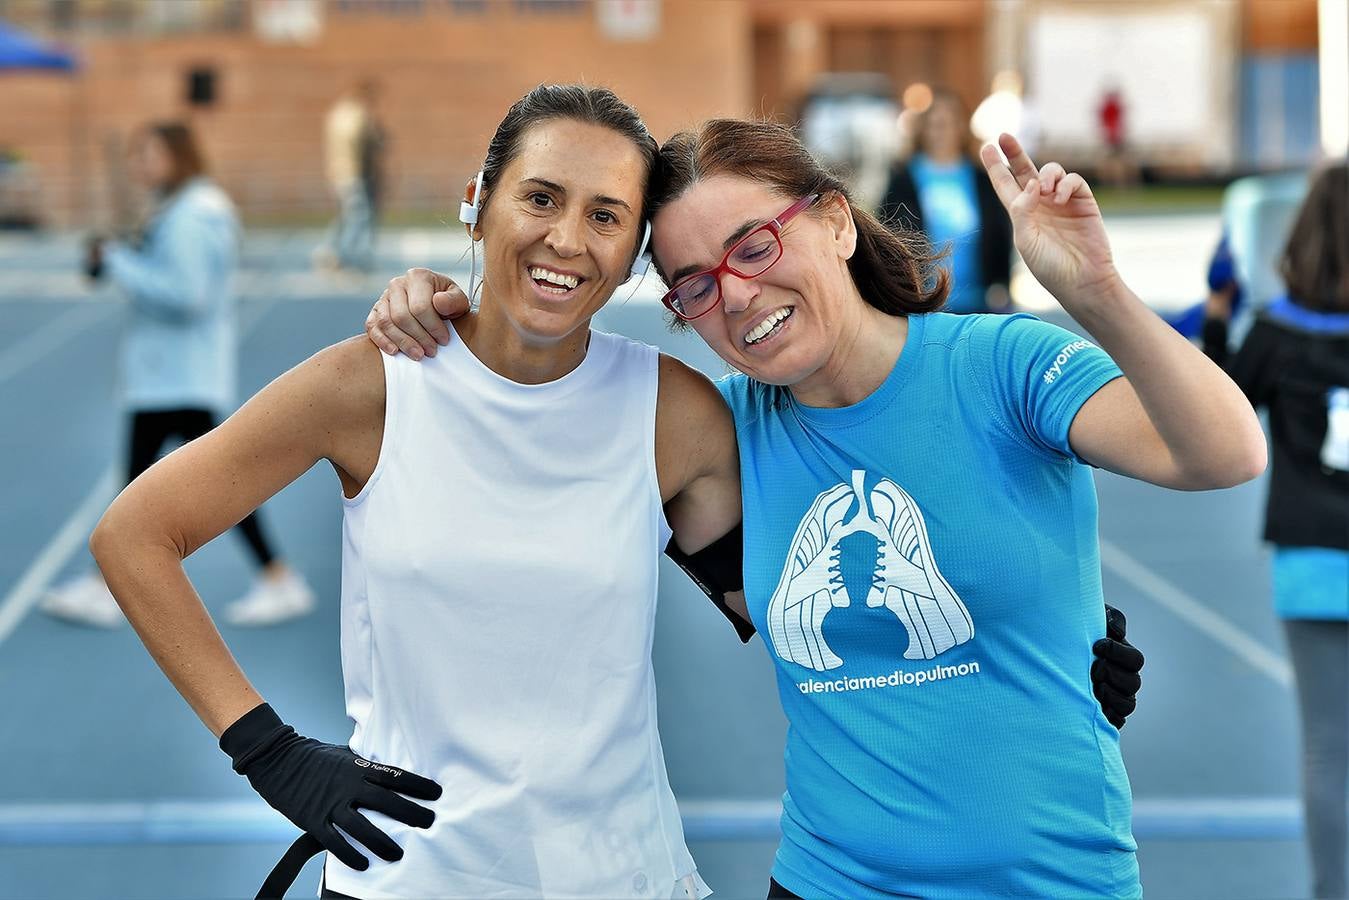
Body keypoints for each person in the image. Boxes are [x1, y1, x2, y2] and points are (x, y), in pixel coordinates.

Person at [370, 121, 1264, 897]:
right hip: (826, 879)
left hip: (1051, 880)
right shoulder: (719, 429)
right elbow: (520, 433)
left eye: (754, 246)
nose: (738, 294)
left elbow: (1223, 452)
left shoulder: (999, 365)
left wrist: (1095, 289)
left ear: (834, 220)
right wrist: (442, 316)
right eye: (694, 284)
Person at [91, 85, 743, 900]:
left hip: (625, 878)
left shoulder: (675, 412)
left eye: (606, 216)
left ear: (636, 249)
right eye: (539, 197)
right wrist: (266, 750)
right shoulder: (372, 384)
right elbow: (135, 534)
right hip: (409, 878)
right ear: (479, 203)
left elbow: (783, 605)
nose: (567, 239)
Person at [43, 121, 313, 630]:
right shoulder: (185, 210)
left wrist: (121, 262)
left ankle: (112, 585)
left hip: (176, 377)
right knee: (204, 484)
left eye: (149, 154)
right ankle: (275, 577)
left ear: (179, 156)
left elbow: (186, 295)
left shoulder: (192, 216)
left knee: (166, 488)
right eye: (135, 156)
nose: (138, 165)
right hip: (171, 377)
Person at [1204, 161, 1349, 900]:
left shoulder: (1278, 332)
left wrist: (1215, 308)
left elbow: (1215, 403)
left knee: (1330, 749)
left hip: (1314, 564)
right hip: (1315, 562)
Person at [878, 88, 1014, 314]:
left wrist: (1002, 284)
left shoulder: (982, 178)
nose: (942, 131)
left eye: (949, 122)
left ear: (962, 127)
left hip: (977, 302)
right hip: (923, 303)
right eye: (935, 123)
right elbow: (886, 236)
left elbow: (1000, 232)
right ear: (923, 128)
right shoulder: (903, 180)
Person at [314, 79, 385, 275]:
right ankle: (345, 258)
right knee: (359, 216)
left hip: (337, 172)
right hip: (353, 173)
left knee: (346, 216)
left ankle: (329, 251)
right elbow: (364, 144)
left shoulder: (338, 113)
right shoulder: (358, 116)